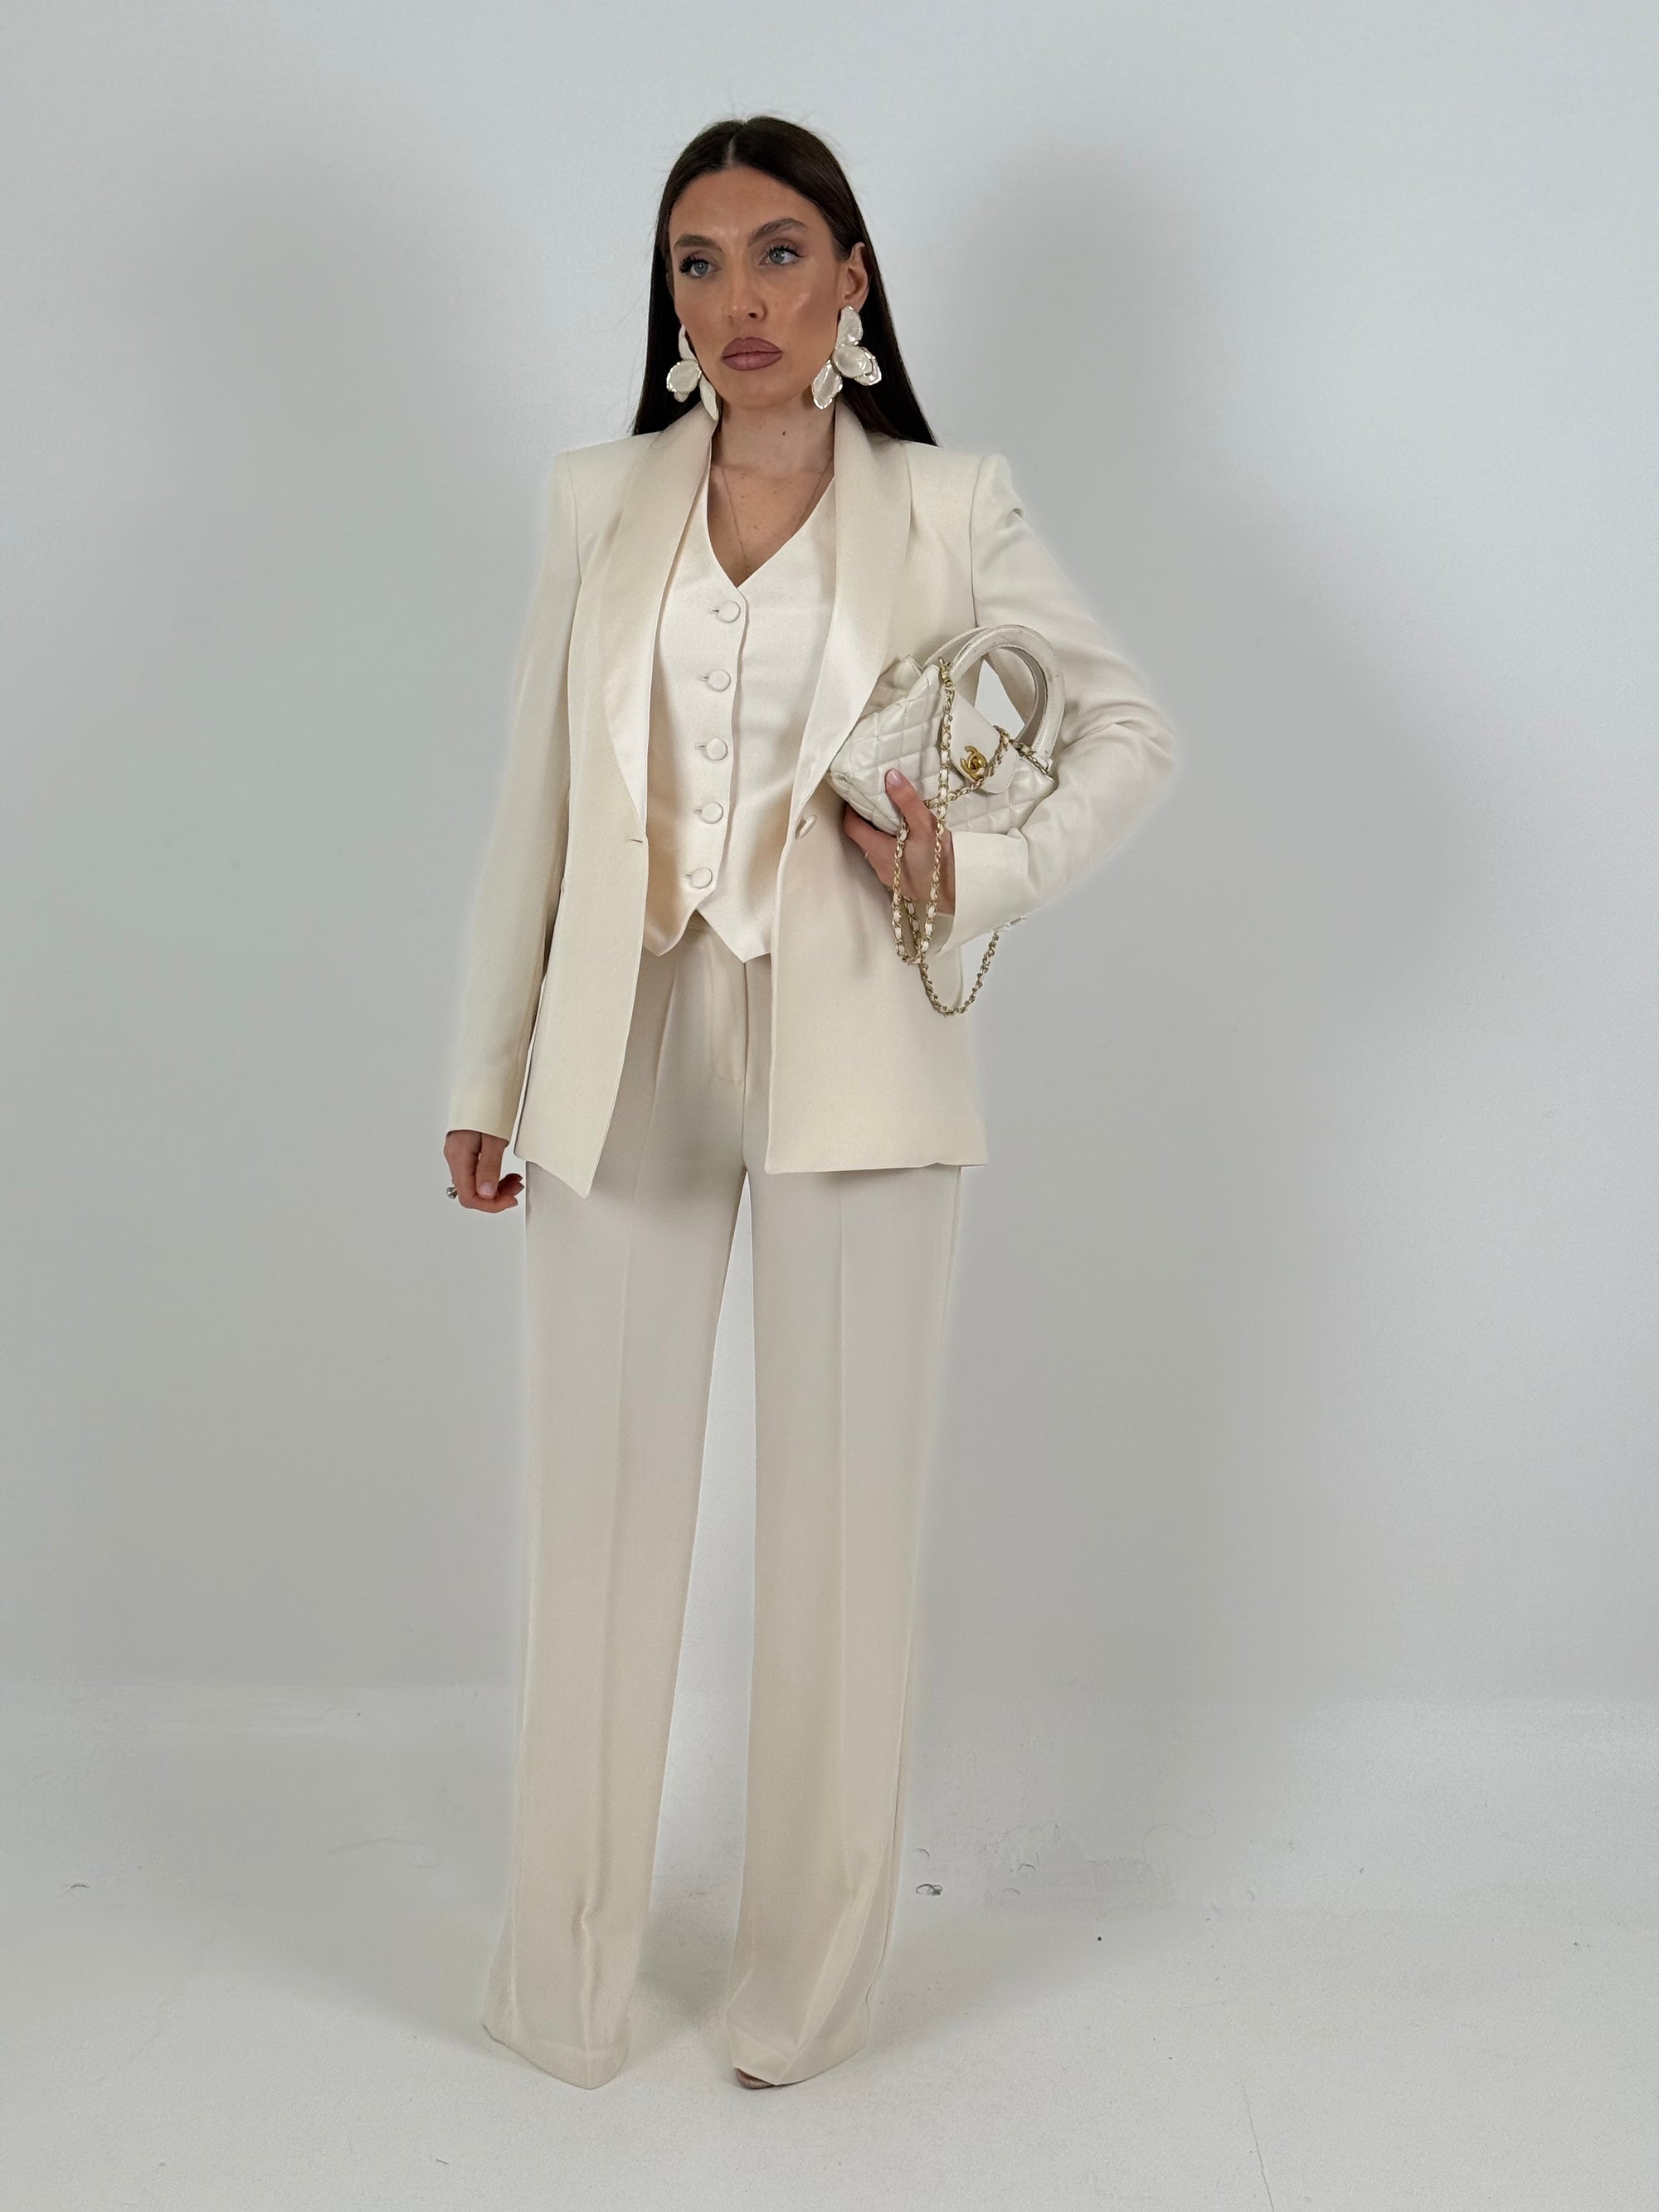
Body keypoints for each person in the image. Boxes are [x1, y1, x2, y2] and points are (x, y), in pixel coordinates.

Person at [443, 114, 1177, 2093]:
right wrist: (485, 1066)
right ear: (668, 298)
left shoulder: (947, 503)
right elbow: (534, 796)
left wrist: (974, 871)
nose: (739, 298)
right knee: (595, 1527)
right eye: (697, 262)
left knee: (843, 1541)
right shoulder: (596, 498)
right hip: (620, 1038)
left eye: (780, 252)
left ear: (852, 278)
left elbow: (1126, 731)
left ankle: (803, 1996)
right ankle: (563, 1981)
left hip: (859, 1044)